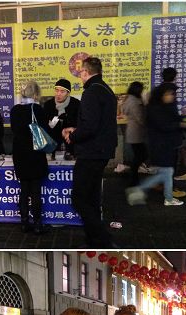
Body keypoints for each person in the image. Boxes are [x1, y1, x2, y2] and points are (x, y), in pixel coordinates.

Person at [62, 57, 117, 248]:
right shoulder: (106, 90)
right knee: (91, 198)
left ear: (85, 72)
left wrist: (73, 136)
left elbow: (90, 126)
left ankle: (102, 237)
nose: (79, 77)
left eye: (80, 73)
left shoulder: (92, 92)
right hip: (101, 150)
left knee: (79, 198)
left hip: (91, 152)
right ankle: (94, 239)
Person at [126, 83, 186, 207]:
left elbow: (172, 121)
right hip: (160, 145)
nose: (171, 96)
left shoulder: (164, 107)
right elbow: (163, 125)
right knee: (166, 172)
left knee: (167, 172)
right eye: (168, 94)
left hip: (166, 144)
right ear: (161, 95)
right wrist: (179, 125)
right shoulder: (155, 108)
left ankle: (167, 198)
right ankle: (145, 191)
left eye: (172, 94)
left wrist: (183, 116)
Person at [10, 81, 49, 235]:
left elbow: (14, 129)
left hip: (19, 153)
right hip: (35, 153)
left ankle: (24, 222)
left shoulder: (15, 110)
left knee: (24, 190)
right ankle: (38, 224)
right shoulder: (38, 109)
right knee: (36, 191)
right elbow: (44, 130)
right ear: (35, 94)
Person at [43, 79, 80, 159]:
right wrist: (56, 119)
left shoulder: (76, 104)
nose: (58, 94)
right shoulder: (48, 105)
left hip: (71, 143)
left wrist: (67, 119)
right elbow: (46, 127)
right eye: (56, 90)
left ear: (68, 93)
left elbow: (80, 124)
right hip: (53, 145)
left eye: (62, 91)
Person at [121, 82, 147, 186]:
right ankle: (133, 176)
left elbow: (124, 111)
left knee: (139, 155)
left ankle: (133, 176)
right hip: (136, 131)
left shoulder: (128, 99)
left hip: (132, 131)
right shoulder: (135, 101)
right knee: (141, 155)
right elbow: (140, 117)